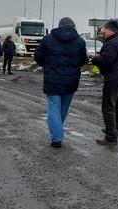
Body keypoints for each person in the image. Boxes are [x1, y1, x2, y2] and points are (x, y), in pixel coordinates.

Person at [34, 17, 87, 148]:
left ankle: (56, 137)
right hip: (71, 80)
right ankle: (57, 131)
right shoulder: (80, 41)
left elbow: (38, 56)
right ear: (73, 26)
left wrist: (47, 65)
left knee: (53, 107)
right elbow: (83, 60)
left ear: (59, 26)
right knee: (63, 109)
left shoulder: (48, 39)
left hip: (53, 79)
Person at [92, 20, 118, 146]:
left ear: (111, 30)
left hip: (113, 79)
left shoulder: (112, 43)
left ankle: (111, 137)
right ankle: (114, 130)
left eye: (105, 29)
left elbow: (106, 60)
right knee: (116, 106)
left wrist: (95, 58)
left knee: (108, 107)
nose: (103, 31)